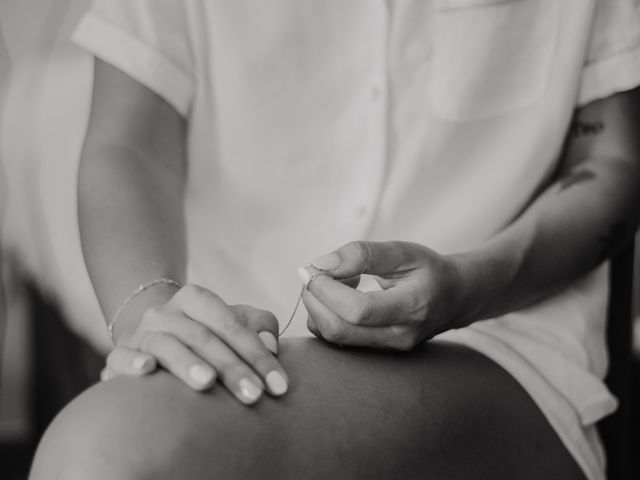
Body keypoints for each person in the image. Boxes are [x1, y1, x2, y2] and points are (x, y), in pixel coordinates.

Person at [29, 0, 640, 479]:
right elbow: (127, 145)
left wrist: (467, 287)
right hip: (228, 328)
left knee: (103, 455)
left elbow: (611, 163)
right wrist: (149, 311)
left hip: (493, 342)